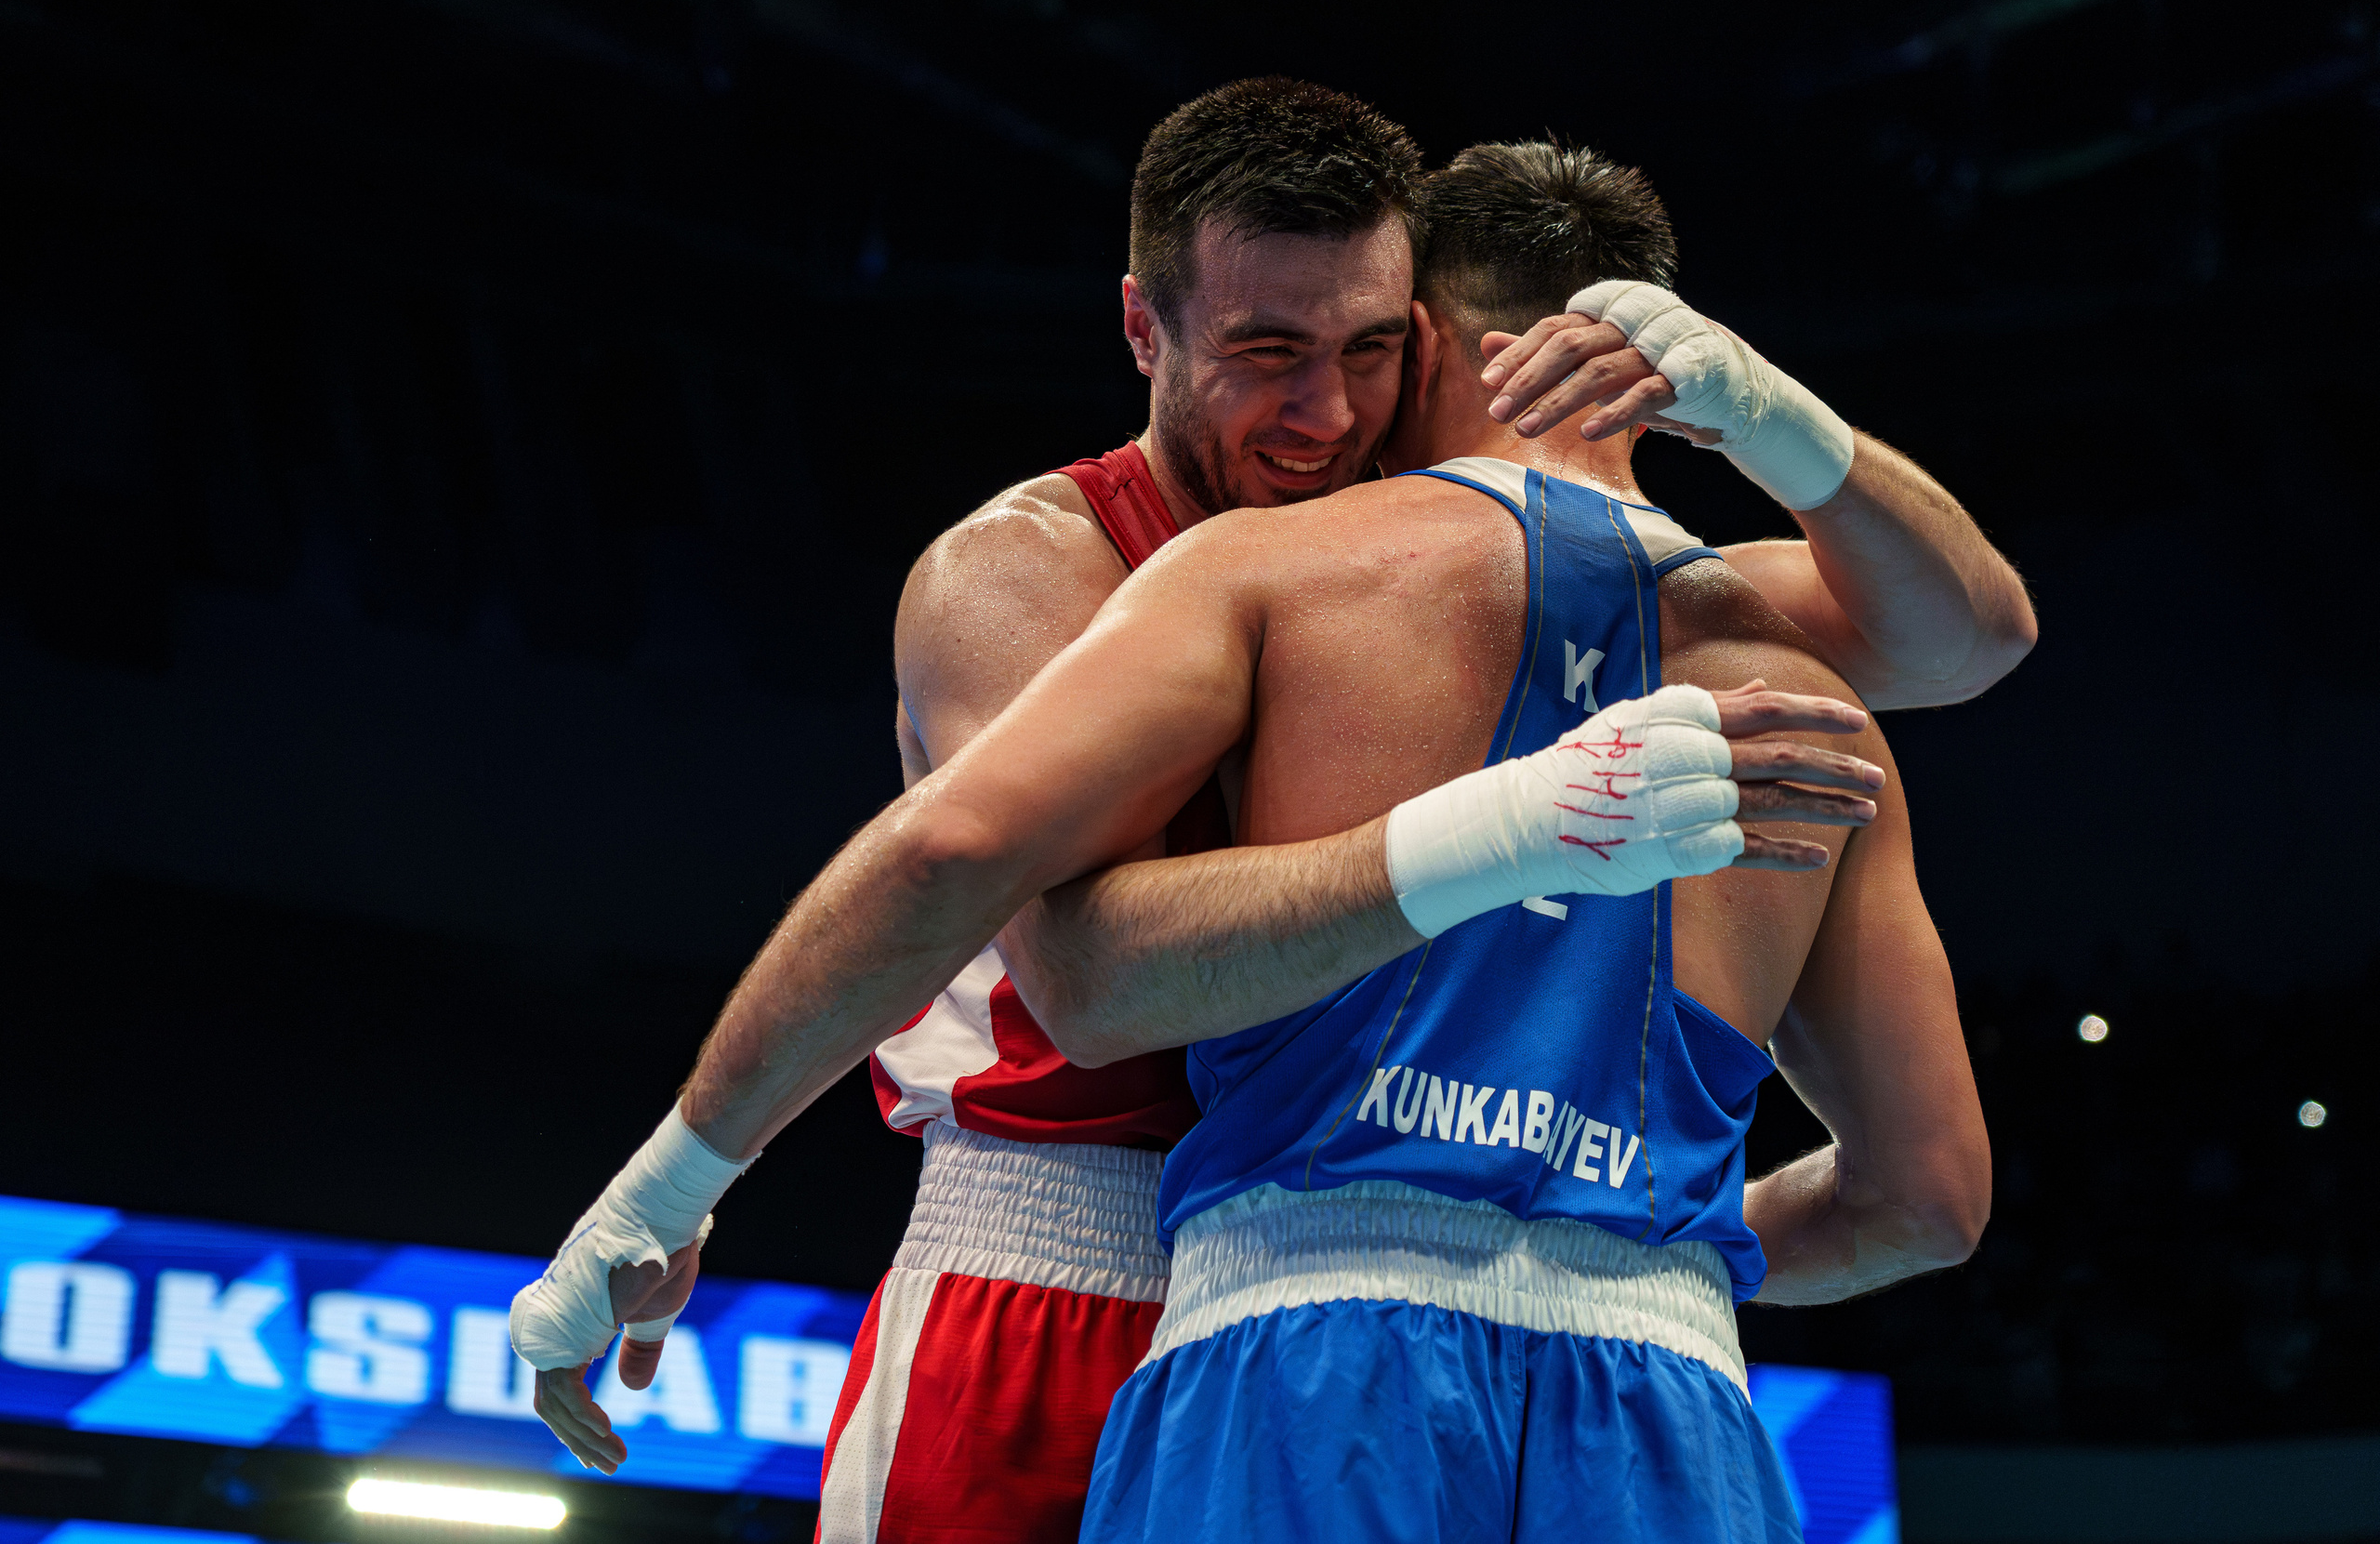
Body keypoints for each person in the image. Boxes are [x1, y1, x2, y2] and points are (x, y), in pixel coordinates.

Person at [509, 81, 2025, 1538]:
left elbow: (1968, 638)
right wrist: (666, 1188)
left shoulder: (1540, 584)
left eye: (1368, 350)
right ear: (1141, 326)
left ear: (1432, 343)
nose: (1324, 411)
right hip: (1060, 1275)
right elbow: (1029, 933)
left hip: (1318, 1292)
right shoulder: (1042, 563)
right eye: (1265, 349)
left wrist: (1769, 416)